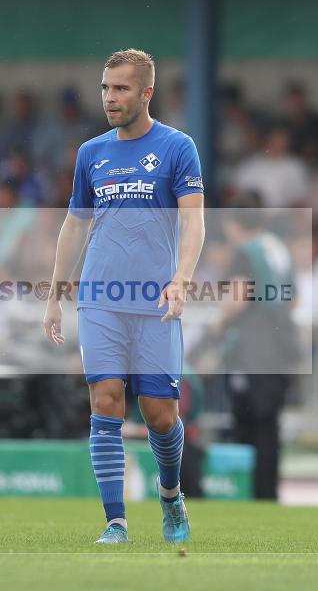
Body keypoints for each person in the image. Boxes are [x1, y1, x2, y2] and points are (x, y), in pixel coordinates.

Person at [43, 49, 205, 545]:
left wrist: (181, 278)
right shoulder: (92, 153)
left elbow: (194, 220)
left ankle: (171, 496)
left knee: (160, 413)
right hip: (101, 298)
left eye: (120, 89)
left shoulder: (178, 148)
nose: (110, 98)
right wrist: (54, 293)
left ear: (146, 93)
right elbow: (75, 224)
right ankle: (116, 522)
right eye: (105, 88)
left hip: (154, 303)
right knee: (106, 401)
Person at [216, 208, 297, 500]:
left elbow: (239, 296)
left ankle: (250, 493)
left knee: (247, 421)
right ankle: (269, 492)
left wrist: (218, 324)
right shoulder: (280, 249)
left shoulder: (246, 251)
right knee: (270, 426)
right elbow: (293, 299)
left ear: (236, 224)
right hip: (282, 344)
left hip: (253, 347)